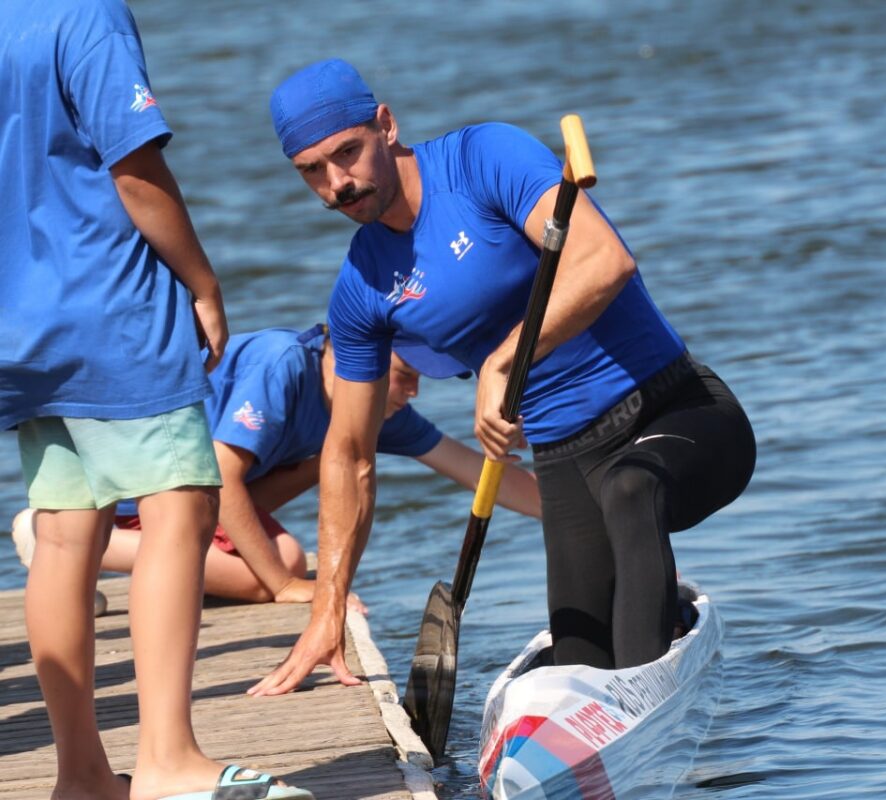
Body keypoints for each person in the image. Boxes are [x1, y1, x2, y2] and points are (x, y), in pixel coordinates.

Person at [249, 59, 755, 697]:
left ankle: (645, 698)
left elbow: (604, 260)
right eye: (311, 173)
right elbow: (348, 456)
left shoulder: (482, 159)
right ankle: (631, 670)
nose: (336, 184)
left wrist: (502, 360)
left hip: (675, 412)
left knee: (631, 491)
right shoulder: (361, 290)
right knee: (578, 659)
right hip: (568, 463)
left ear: (386, 125)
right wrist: (327, 609)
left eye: (346, 154)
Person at [0, 2, 311, 798]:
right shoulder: (86, 15)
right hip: (110, 305)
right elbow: (135, 171)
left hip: (18, 319)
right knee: (181, 506)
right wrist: (203, 282)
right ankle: (170, 762)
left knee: (66, 536)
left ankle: (82, 776)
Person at [11, 324, 541, 605]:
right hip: (144, 488)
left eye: (421, 378)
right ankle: (69, 541)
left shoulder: (376, 408)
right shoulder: (283, 366)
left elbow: (470, 468)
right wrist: (284, 591)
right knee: (276, 575)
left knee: (287, 555)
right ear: (349, 351)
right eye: (403, 373)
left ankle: (83, 567)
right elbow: (221, 470)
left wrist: (568, 510)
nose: (412, 391)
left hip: (207, 497)